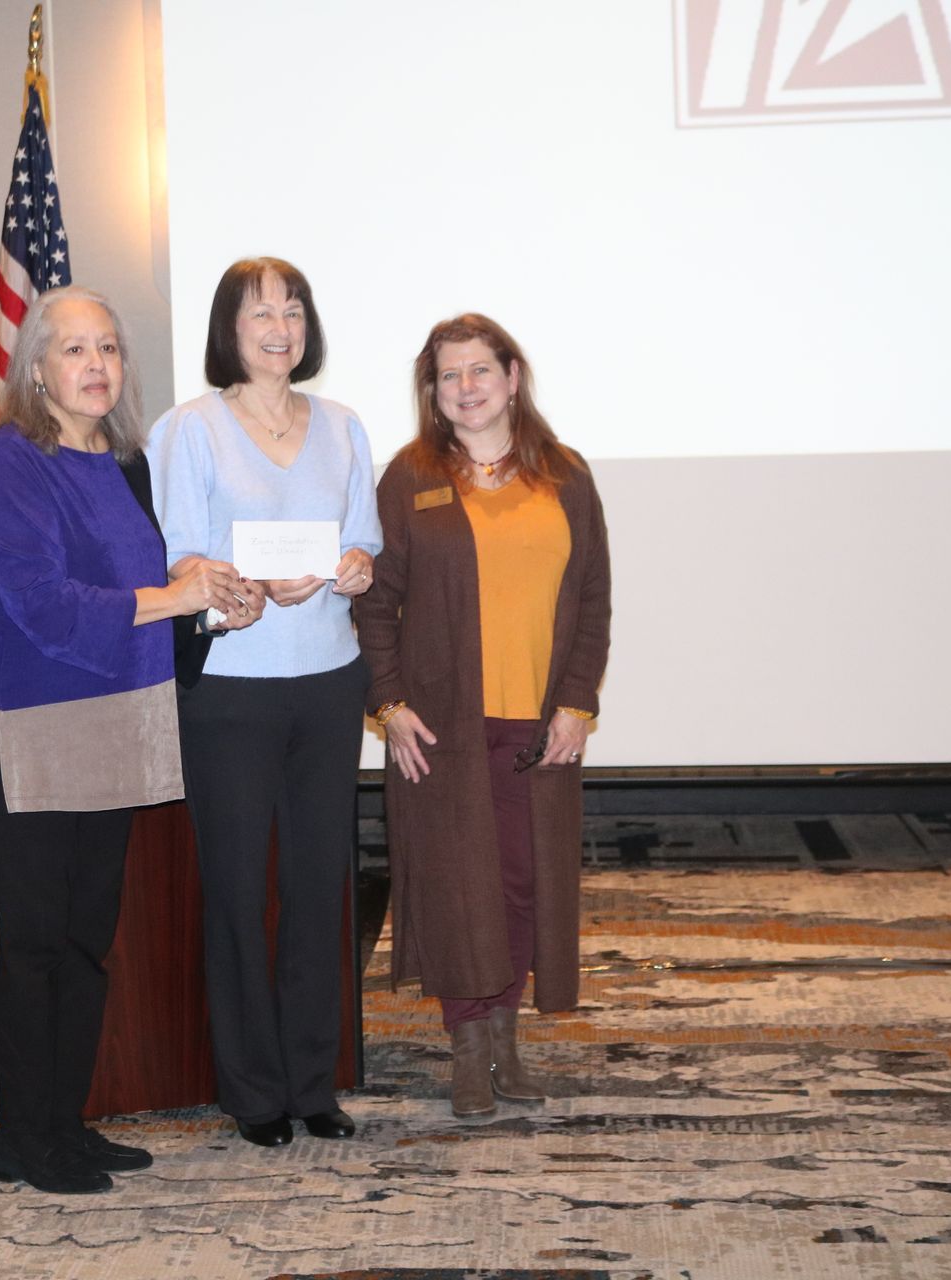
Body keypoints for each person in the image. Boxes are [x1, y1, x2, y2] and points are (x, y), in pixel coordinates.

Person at [0, 285, 249, 1193]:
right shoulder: (5, 461)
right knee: (36, 943)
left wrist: (197, 577)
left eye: (109, 349)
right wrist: (175, 598)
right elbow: (43, 606)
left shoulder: (121, 460)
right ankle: (20, 1139)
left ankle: (65, 1124)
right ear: (35, 365)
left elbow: (130, 574)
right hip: (31, 727)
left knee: (85, 942)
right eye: (74, 349)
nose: (96, 366)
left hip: (113, 723)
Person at [145, 257, 381, 1147]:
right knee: (239, 891)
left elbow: (360, 545)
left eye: (292, 311)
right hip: (232, 693)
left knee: (322, 887)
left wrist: (354, 568)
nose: (278, 328)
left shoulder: (346, 427)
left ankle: (313, 1083)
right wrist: (238, 584)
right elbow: (179, 559)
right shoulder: (190, 430)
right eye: (258, 315)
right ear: (228, 332)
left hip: (327, 684)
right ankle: (252, 1091)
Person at [355, 312, 611, 1117]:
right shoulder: (409, 477)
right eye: (447, 376)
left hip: (541, 730)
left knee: (524, 886)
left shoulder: (565, 476)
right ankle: (468, 1053)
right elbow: (375, 605)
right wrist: (389, 705)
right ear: (432, 391)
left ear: (511, 377)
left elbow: (594, 601)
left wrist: (576, 703)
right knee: (460, 888)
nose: (464, 389)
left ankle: (507, 1044)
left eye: (479, 371)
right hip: (443, 732)